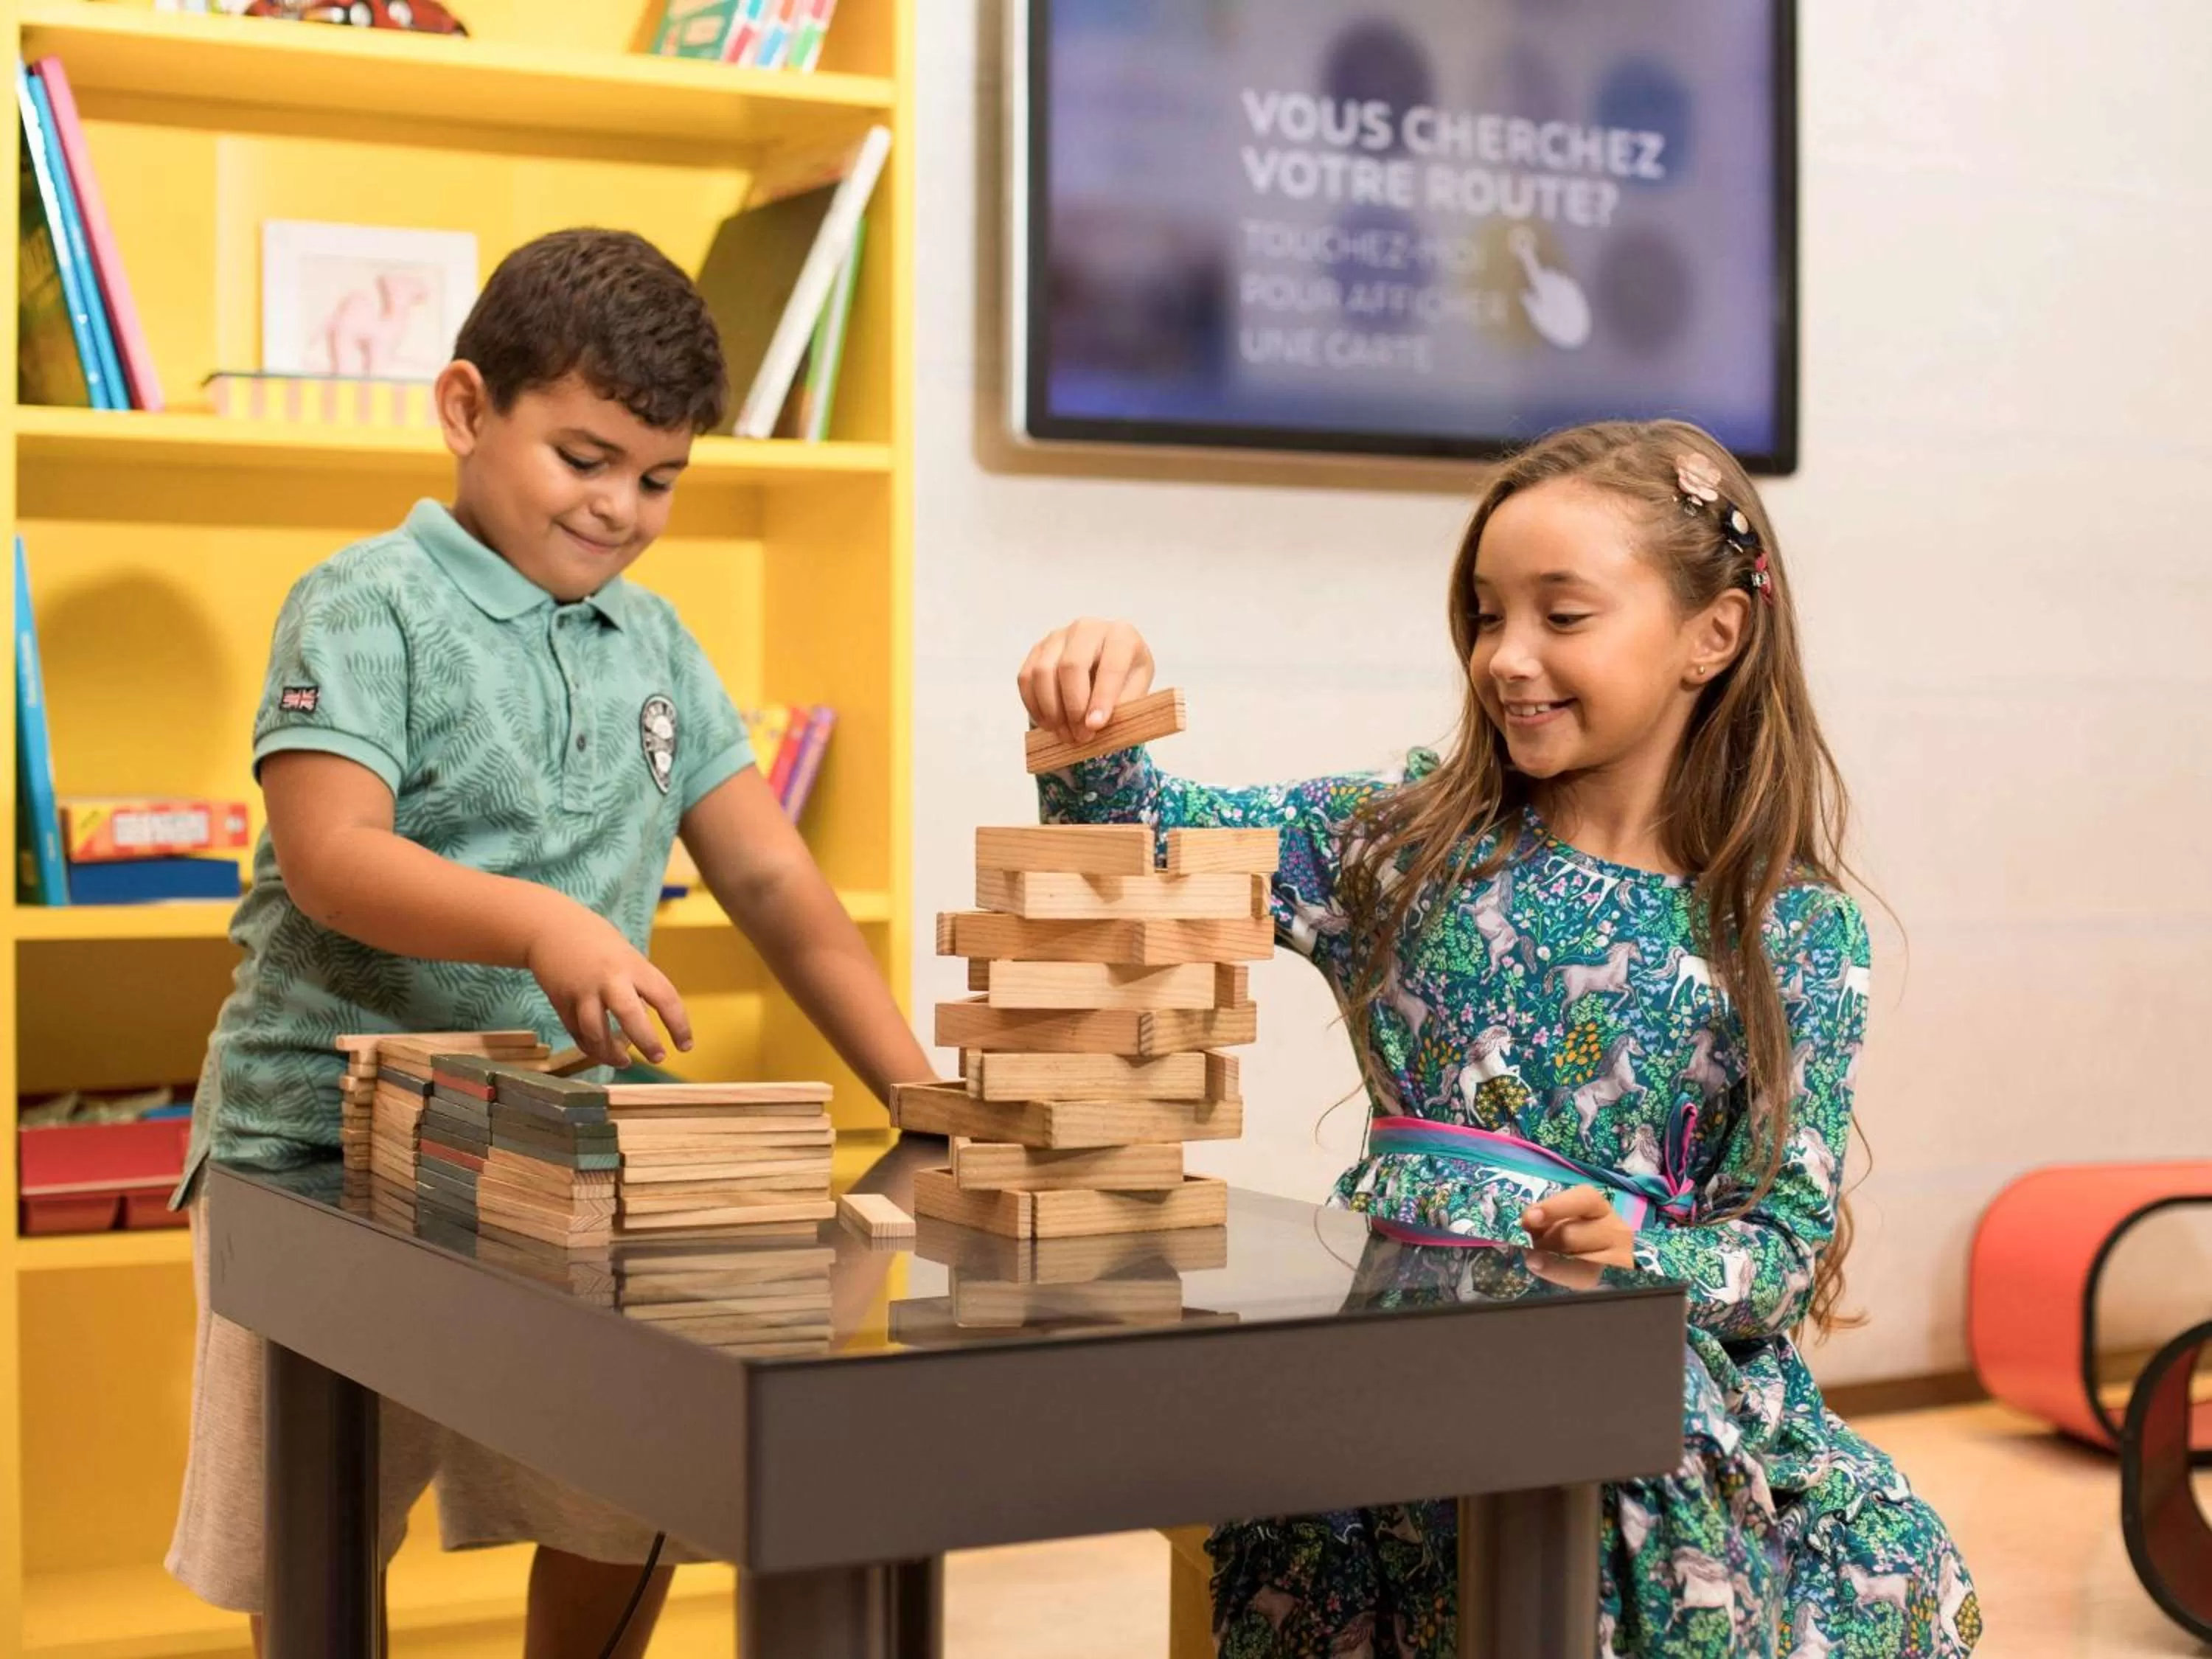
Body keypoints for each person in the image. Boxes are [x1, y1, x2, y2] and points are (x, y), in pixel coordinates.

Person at [1016, 420, 1980, 1658]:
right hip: (1390, 1372)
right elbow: (1140, 856)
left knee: (1827, 1548)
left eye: (1561, 615)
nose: (1506, 656)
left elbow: (1783, 1249)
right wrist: (1094, 713)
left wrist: (1640, 1255)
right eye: (1485, 615)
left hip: (1631, 1383)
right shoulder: (1401, 847)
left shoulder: (1792, 929)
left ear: (1715, 635)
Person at [167, 228, 933, 1657]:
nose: (622, 509)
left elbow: (771, 875)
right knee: (317, 1524)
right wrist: (546, 924)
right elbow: (332, 854)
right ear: (468, 408)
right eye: (586, 459)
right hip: (319, 1147)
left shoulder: (658, 641)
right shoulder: (365, 601)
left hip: (570, 1147)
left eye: (660, 478)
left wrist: (919, 1091)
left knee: (631, 1487)